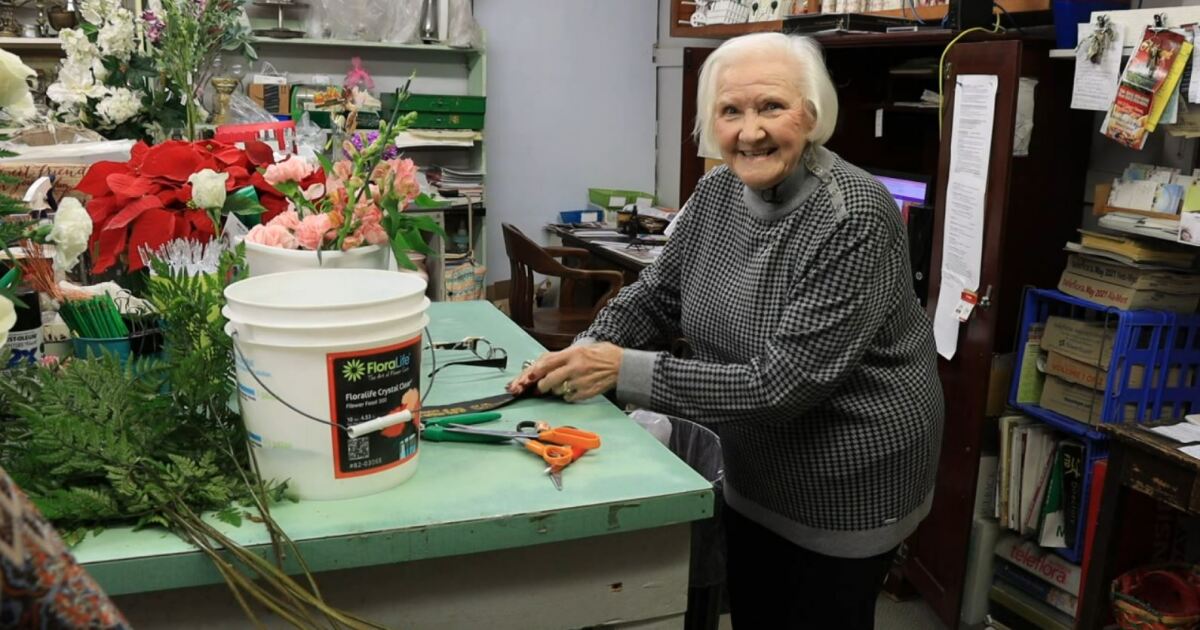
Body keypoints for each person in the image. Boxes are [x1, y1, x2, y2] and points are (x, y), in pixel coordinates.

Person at [509, 32, 944, 628]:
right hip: (753, 459)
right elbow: (657, 295)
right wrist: (585, 350)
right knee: (757, 604)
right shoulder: (717, 191)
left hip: (846, 478)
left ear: (813, 115)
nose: (750, 131)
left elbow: (782, 386)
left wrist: (620, 370)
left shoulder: (855, 215)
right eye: (730, 111)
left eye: (772, 107)